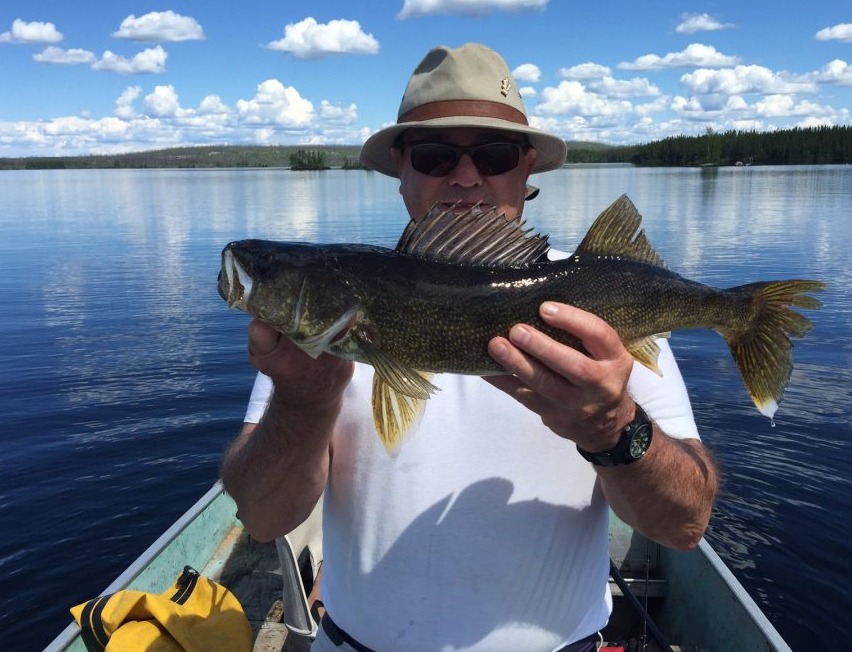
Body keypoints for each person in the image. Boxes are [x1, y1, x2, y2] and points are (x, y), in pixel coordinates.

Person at [221, 43, 717, 652]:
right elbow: (264, 518)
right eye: (434, 156)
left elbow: (685, 525)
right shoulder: (311, 345)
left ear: (526, 165)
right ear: (400, 166)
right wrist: (301, 404)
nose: (465, 175)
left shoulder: (599, 302)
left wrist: (615, 428)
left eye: (494, 153)